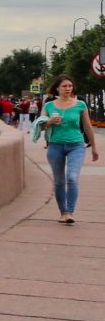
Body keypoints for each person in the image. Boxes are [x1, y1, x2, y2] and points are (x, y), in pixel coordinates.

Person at [36, 76, 99, 224]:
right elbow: (40, 126)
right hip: (55, 145)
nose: (68, 89)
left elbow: (88, 126)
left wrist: (94, 146)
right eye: (64, 86)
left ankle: (70, 212)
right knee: (59, 181)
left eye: (70, 86)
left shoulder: (80, 105)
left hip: (76, 145)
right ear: (57, 88)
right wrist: (50, 122)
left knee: (71, 177)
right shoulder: (49, 106)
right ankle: (63, 212)